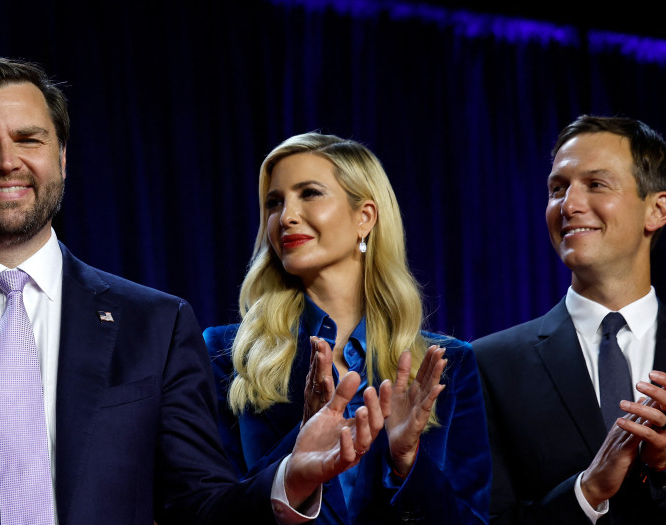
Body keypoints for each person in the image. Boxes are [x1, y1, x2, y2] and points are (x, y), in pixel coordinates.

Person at [0, 57, 394, 524]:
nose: (7, 160)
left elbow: (200, 506)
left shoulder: (156, 324)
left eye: (29, 138)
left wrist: (290, 478)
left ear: (60, 158)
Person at [205, 132, 491, 523]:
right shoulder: (227, 353)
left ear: (365, 217)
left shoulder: (449, 362)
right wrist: (301, 444)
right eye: (274, 202)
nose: (285, 216)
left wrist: (407, 463)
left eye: (309, 193)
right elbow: (211, 511)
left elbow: (471, 519)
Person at [474, 115, 666, 524]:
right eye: (557, 189)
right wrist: (589, 489)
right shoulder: (490, 364)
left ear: (657, 210)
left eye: (596, 185)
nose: (570, 205)